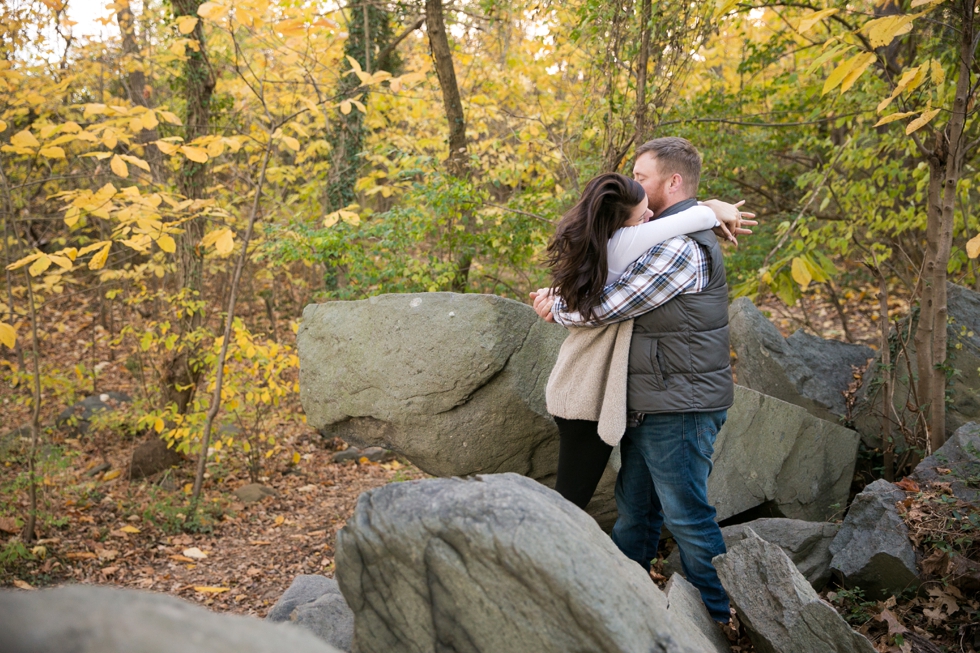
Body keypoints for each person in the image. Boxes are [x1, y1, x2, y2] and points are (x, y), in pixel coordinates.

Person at [533, 137, 752, 624]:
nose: (636, 183)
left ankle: (721, 622)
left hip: (680, 404)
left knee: (688, 519)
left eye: (643, 175)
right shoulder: (660, 235)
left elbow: (609, 305)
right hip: (653, 400)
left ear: (672, 182)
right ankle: (622, 613)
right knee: (635, 514)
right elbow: (608, 278)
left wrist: (558, 306)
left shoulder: (679, 246)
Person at [538, 173, 743, 511]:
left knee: (595, 501)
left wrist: (556, 302)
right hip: (588, 386)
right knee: (570, 503)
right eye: (641, 214)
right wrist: (716, 207)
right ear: (621, 222)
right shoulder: (628, 242)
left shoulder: (593, 241)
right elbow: (699, 217)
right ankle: (536, 559)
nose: (650, 217)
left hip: (582, 382)